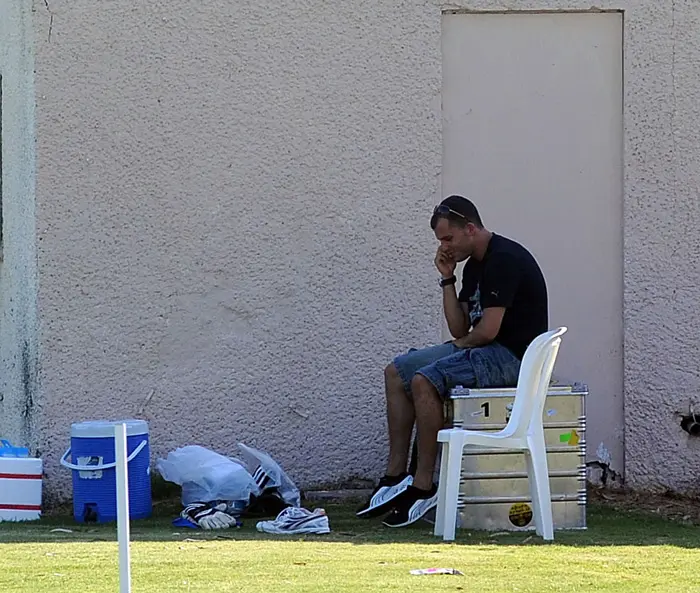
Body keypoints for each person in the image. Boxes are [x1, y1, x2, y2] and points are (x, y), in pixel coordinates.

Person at [356, 195, 549, 528]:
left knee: (424, 379)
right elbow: (460, 327)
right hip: (481, 349)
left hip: (512, 358)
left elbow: (487, 331)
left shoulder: (503, 259)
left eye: (448, 238)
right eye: (440, 241)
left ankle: (424, 483)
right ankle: (395, 475)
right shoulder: (473, 265)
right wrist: (448, 277)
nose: (444, 246)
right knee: (396, 371)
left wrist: (458, 346)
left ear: (470, 229)